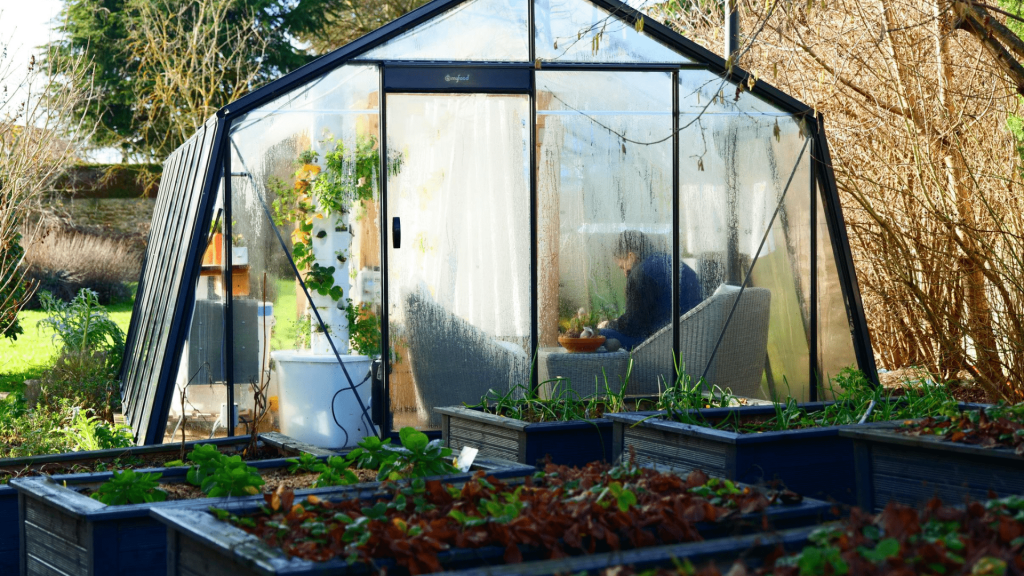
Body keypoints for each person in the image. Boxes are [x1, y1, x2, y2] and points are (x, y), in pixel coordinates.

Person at [598, 230, 703, 350]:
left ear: (631, 256)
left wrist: (608, 324)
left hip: (664, 343)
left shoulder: (641, 273)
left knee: (597, 335)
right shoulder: (670, 262)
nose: (625, 273)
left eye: (623, 266)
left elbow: (633, 327)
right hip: (694, 337)